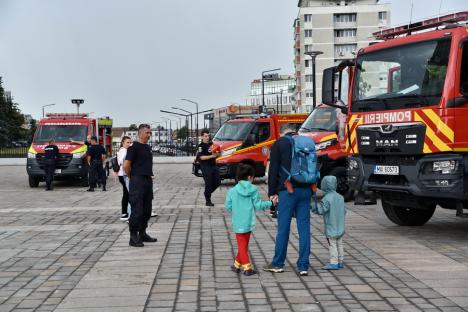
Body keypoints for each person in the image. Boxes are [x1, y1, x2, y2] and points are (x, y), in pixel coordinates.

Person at [263, 123, 313, 276]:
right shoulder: (307, 142)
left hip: (287, 190)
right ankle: (303, 265)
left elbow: (273, 170)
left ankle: (278, 263)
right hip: (305, 189)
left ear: (282, 132)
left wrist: (272, 192)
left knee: (283, 228)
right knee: (304, 228)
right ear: (295, 131)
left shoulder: (279, 143)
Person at [225, 164, 272, 276]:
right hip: (248, 222)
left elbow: (228, 206)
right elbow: (259, 205)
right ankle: (239, 265)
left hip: (238, 222)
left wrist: (236, 210)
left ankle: (246, 268)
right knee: (243, 245)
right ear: (250, 177)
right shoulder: (254, 189)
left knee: (242, 246)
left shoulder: (232, 191)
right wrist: (271, 203)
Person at [124, 124, 157, 247]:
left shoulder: (147, 147)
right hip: (137, 181)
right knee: (137, 210)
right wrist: (132, 176)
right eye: (147, 133)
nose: (149, 135)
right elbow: (126, 165)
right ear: (140, 133)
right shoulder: (133, 148)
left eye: (150, 133)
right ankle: (133, 236)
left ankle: (142, 233)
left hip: (147, 180)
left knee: (147, 210)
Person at [312, 175, 346, 270]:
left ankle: (334, 263)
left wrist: (314, 206)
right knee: (340, 244)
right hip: (340, 226)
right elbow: (344, 211)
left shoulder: (326, 199)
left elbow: (321, 210)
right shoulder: (341, 197)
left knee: (332, 245)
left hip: (331, 227)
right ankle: (340, 262)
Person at [196, 130, 221, 206]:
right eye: (205, 136)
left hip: (214, 165)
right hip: (206, 167)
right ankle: (208, 201)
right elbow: (201, 157)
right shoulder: (200, 146)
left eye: (208, 136)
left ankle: (207, 192)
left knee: (218, 182)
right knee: (208, 184)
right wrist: (211, 156)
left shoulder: (212, 144)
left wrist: (218, 154)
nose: (207, 137)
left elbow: (217, 154)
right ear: (202, 137)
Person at [117, 136, 132, 221]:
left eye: (130, 143)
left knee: (126, 194)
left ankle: (124, 212)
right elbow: (124, 163)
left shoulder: (124, 150)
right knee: (128, 193)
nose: (129, 144)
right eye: (127, 142)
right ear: (123, 143)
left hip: (122, 174)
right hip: (124, 175)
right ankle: (126, 213)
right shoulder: (123, 151)